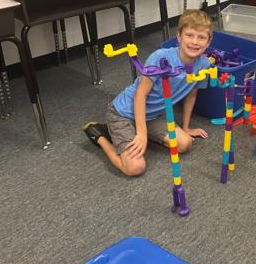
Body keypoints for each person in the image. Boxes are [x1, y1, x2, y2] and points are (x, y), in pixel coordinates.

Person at [82, 9, 212, 177]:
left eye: (201, 37)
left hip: (150, 116)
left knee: (185, 144)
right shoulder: (160, 57)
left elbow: (191, 95)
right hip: (123, 113)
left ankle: (134, 132)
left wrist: (186, 127)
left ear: (208, 41)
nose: (195, 42)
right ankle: (99, 134)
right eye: (189, 35)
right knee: (135, 168)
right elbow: (140, 95)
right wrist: (142, 134)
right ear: (179, 36)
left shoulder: (204, 65)